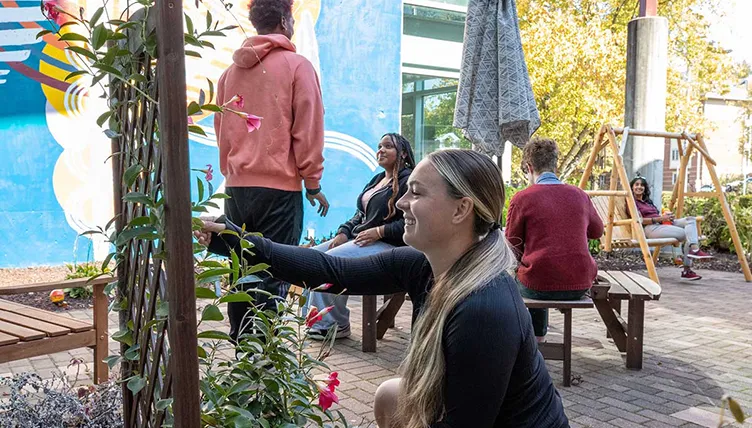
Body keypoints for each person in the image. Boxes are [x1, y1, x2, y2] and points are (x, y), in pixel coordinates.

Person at [196, 149, 569, 428]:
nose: (402, 203)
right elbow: (330, 270)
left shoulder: (484, 309)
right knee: (392, 394)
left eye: (417, 193)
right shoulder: (424, 267)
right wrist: (232, 239)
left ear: (461, 210)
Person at [213, 0, 330, 342]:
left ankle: (241, 349)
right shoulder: (297, 67)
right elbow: (308, 128)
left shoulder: (228, 74)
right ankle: (263, 360)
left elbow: (222, 131)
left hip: (236, 189)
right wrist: (313, 182)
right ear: (283, 20)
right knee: (274, 270)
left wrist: (233, 172)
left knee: (241, 268)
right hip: (280, 191)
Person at [306, 133, 415, 340]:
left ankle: (333, 324)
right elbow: (361, 215)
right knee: (310, 258)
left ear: (402, 153)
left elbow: (414, 220)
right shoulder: (377, 180)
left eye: (387, 146)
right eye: (379, 146)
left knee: (330, 262)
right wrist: (343, 232)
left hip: (390, 244)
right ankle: (317, 320)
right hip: (362, 238)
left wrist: (380, 231)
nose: (380, 150)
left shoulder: (409, 181)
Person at [505, 138, 604, 343]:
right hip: (579, 283)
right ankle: (539, 336)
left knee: (525, 275)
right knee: (541, 271)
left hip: (538, 284)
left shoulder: (523, 198)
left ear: (529, 167)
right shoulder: (579, 195)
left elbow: (512, 245)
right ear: (555, 165)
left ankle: (534, 339)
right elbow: (597, 232)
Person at [630, 176, 712, 281]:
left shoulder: (647, 202)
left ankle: (694, 250)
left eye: (642, 185)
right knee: (687, 234)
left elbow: (658, 216)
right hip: (650, 228)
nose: (639, 187)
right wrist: (661, 218)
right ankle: (688, 267)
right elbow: (639, 220)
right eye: (636, 184)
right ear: (632, 187)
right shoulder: (632, 203)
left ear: (645, 188)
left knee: (691, 220)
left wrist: (667, 217)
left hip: (661, 224)